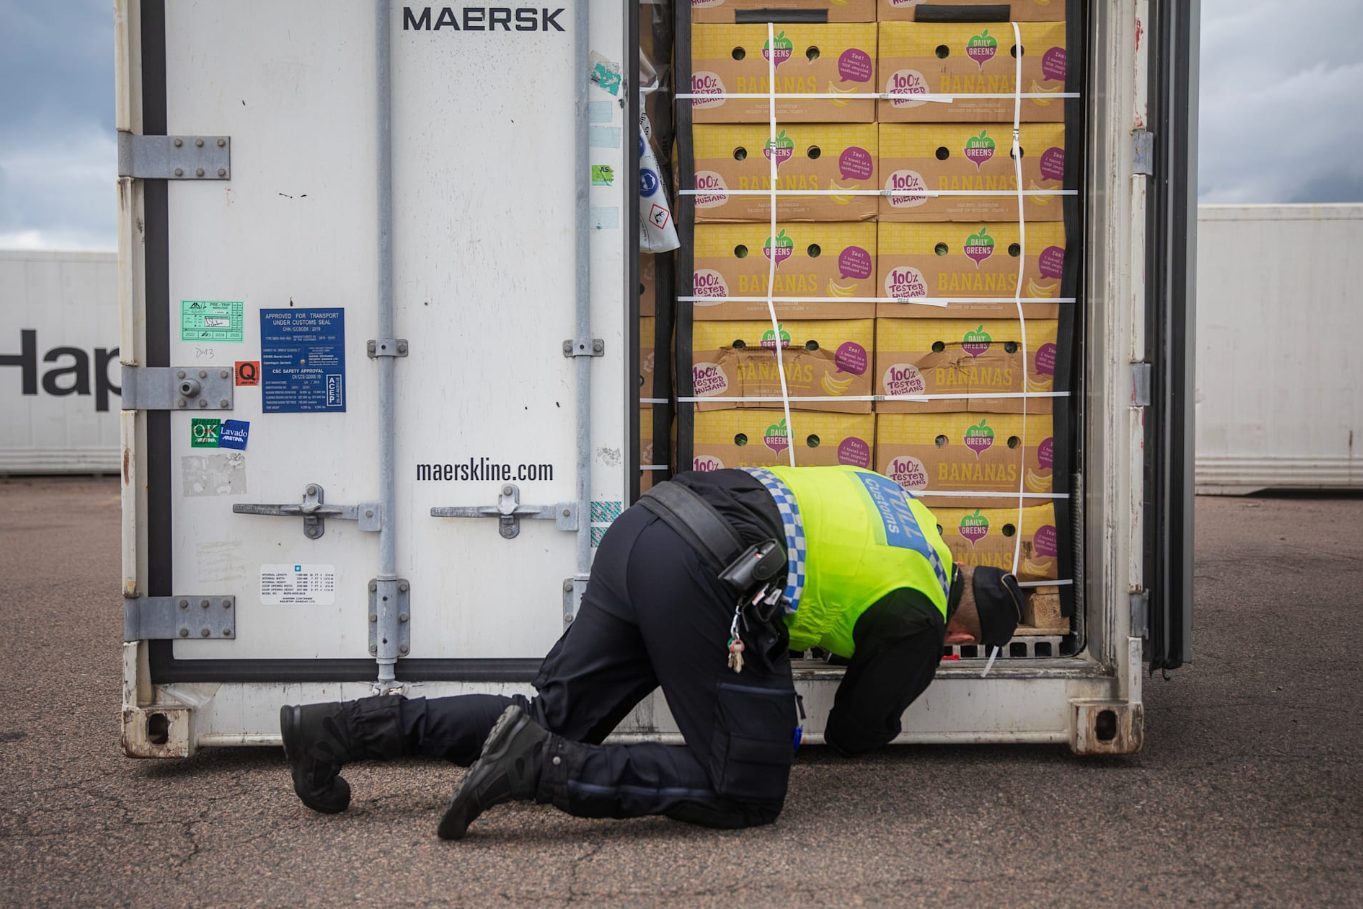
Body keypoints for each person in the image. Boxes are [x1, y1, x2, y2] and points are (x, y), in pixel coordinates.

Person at [279, 466, 1023, 839]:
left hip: (650, 525)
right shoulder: (919, 620)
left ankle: (337, 729)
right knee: (746, 788)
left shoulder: (909, 510)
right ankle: (541, 768)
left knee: (552, 712)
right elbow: (855, 733)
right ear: (965, 636)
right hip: (709, 568)